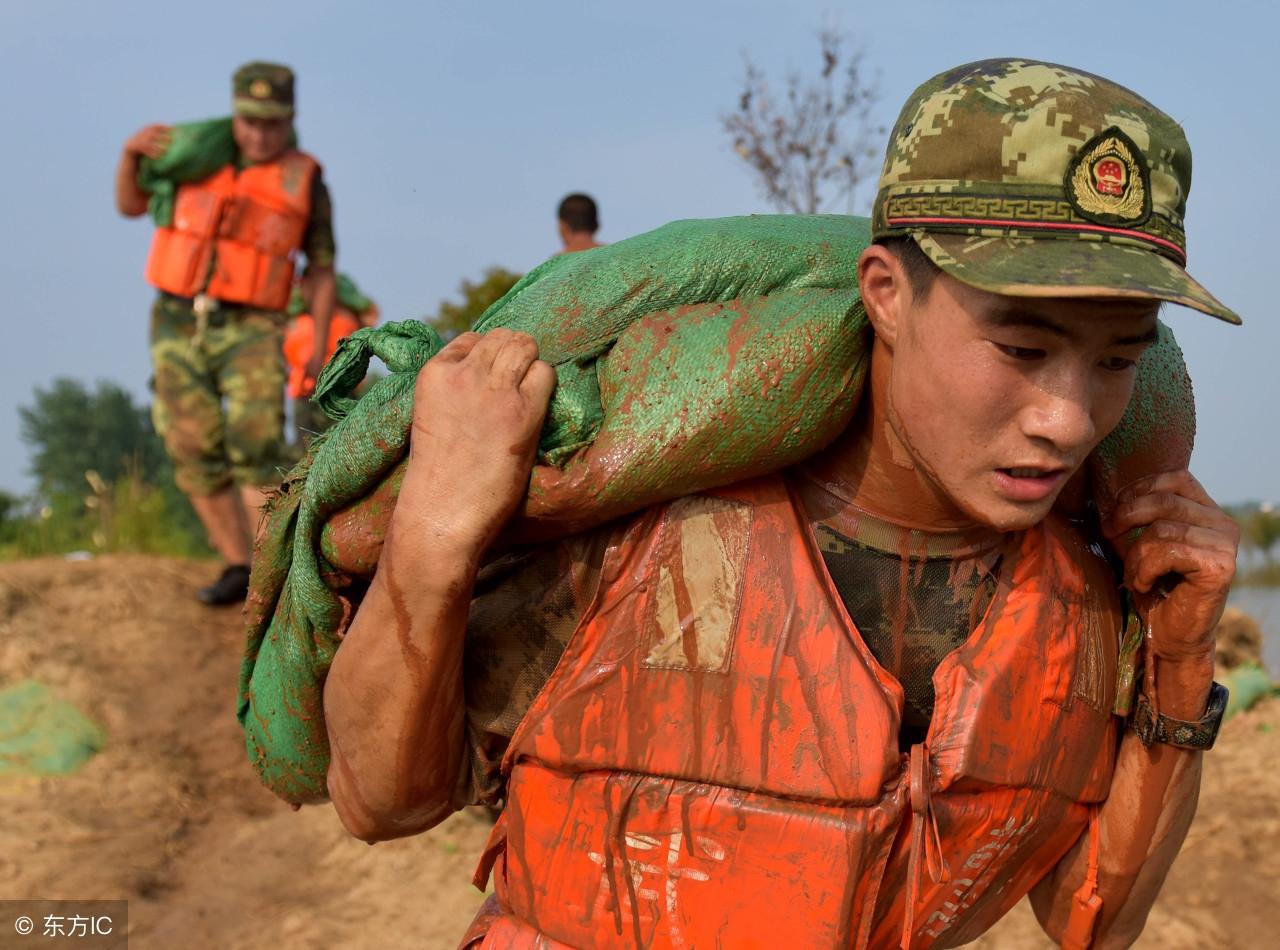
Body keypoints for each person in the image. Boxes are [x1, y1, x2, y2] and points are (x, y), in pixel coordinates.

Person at [322, 60, 1240, 948]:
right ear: (886, 294)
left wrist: (1182, 657)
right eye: (1021, 351)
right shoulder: (647, 533)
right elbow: (382, 802)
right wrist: (437, 532)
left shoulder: (1081, 601)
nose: (1068, 419)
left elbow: (1095, 921)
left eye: (1118, 361)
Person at [115, 62, 337, 605]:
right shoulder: (193, 160)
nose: (260, 135)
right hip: (177, 318)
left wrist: (318, 344)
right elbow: (129, 205)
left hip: (253, 325)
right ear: (235, 115)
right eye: (250, 121)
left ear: (291, 120)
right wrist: (128, 155)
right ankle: (238, 565)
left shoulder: (305, 179)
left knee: (256, 440)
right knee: (192, 444)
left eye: (273, 124)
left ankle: (273, 573)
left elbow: (322, 268)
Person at [284, 271, 379, 449]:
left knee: (342, 447)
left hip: (339, 392)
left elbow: (368, 323)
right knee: (302, 449)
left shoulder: (344, 318)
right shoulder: (296, 320)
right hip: (304, 394)